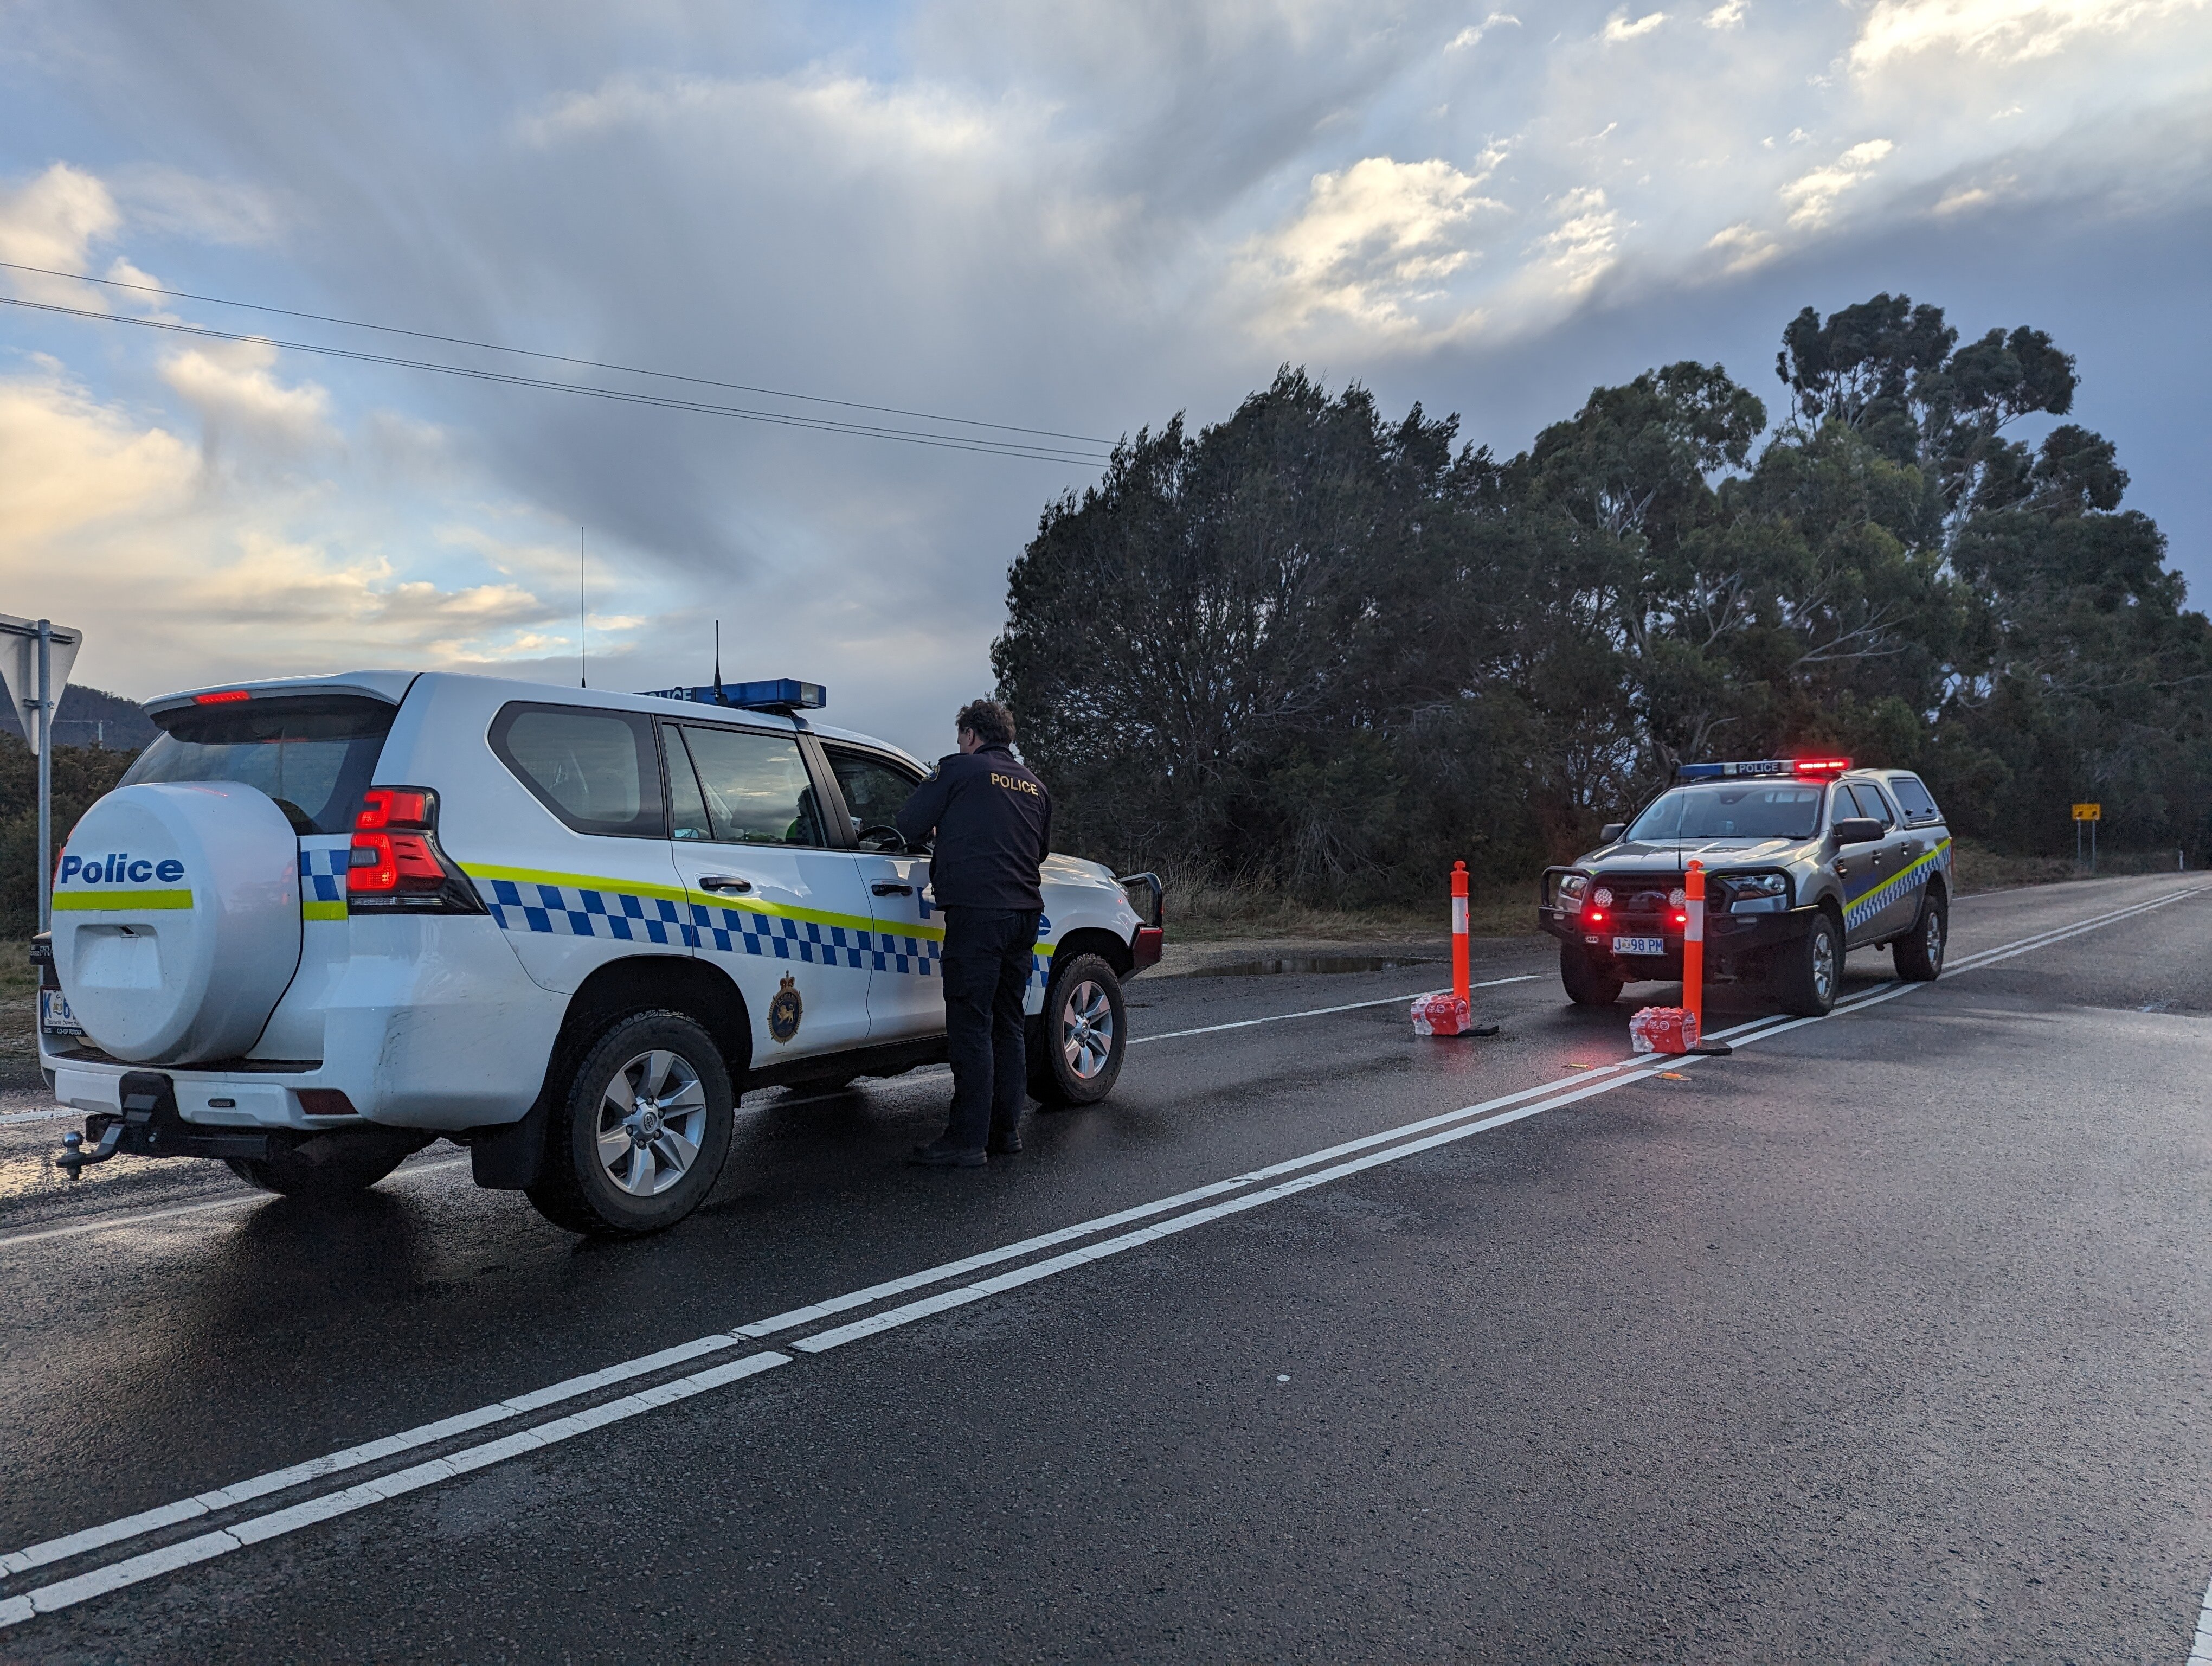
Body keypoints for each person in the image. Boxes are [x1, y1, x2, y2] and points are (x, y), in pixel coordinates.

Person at [895, 698, 1052, 1168]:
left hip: (978, 916)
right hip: (1024, 914)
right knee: (1007, 1023)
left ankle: (965, 1140)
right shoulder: (1036, 787)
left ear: (969, 735)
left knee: (971, 1026)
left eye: (960, 736)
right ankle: (1005, 1132)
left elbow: (908, 826)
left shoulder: (958, 771)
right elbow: (1038, 851)